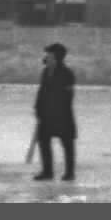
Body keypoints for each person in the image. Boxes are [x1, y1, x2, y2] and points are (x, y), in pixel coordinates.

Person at [33, 42, 77, 181]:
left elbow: (68, 96)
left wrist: (57, 108)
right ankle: (48, 171)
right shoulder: (45, 72)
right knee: (43, 140)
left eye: (49, 54)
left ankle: (69, 173)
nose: (46, 56)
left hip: (62, 115)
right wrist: (38, 107)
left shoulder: (67, 73)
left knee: (67, 144)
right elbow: (41, 92)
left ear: (56, 56)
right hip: (46, 115)